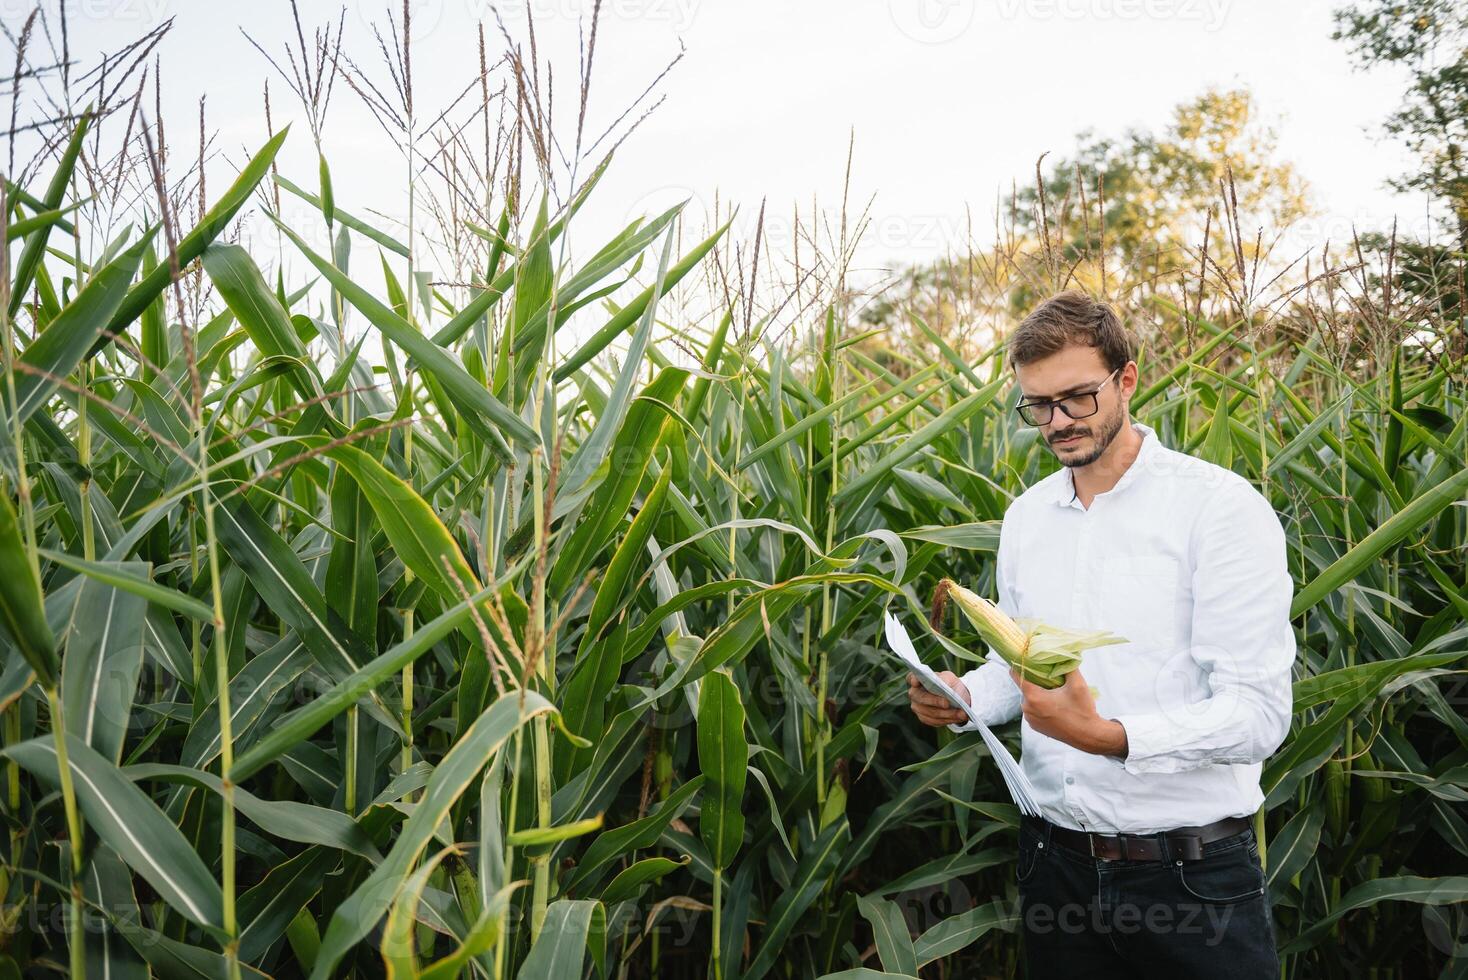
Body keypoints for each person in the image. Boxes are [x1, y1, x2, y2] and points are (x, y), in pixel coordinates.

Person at [907, 290, 1295, 978]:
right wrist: (966, 695)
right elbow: (1026, 664)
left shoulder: (1219, 510)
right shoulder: (1028, 519)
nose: (1057, 422)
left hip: (1190, 880)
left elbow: (1259, 715)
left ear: (1127, 380)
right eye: (1037, 405)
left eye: (1077, 398)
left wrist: (1108, 739)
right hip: (1057, 869)